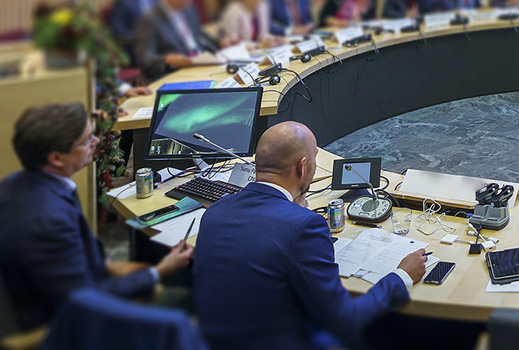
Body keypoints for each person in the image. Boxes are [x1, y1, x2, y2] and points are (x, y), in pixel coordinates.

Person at [193, 122, 428, 349]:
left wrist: (293, 204)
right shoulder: (304, 226)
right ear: (302, 166)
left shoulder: (216, 210)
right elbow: (343, 320)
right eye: (315, 157)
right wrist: (401, 276)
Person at [0, 103, 193, 331]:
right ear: (56, 158)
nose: (96, 142)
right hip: (67, 323)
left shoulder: (18, 182)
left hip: (67, 289)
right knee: (190, 302)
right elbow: (85, 301)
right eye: (86, 140)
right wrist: (158, 271)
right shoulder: (47, 220)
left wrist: (106, 264)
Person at [134, 0, 220, 81]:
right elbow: (144, 59)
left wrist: (220, 42)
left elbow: (199, 35)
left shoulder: (188, 9)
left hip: (201, 64)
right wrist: (167, 59)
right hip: (175, 74)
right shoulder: (149, 20)